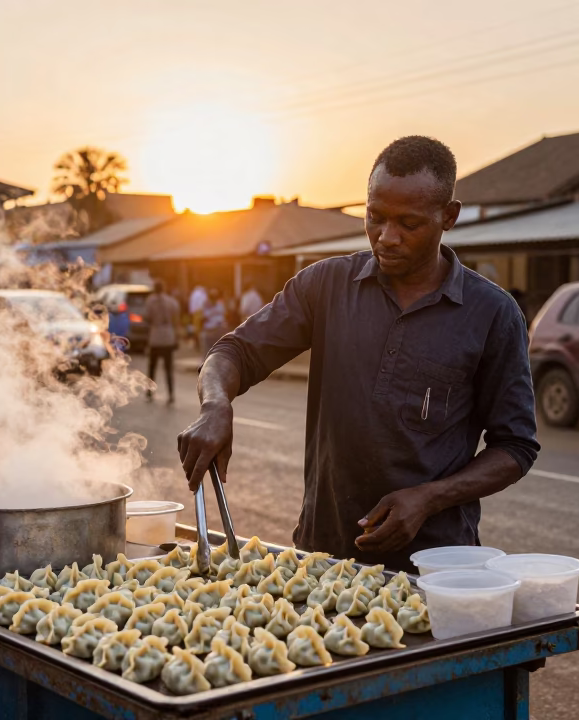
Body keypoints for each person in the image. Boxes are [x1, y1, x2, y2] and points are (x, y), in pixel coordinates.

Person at [177, 135, 539, 569]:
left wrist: (428, 498)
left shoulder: (493, 314)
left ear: (449, 216)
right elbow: (234, 351)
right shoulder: (326, 286)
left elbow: (516, 446)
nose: (387, 237)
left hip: (438, 566)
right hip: (321, 556)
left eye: (409, 223)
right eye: (375, 217)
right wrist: (216, 404)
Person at [144, 280, 182, 404]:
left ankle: (150, 391)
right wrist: (177, 337)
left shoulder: (150, 301)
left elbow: (147, 318)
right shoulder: (172, 302)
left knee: (152, 367)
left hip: (155, 337)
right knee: (168, 368)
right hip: (168, 336)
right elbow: (176, 321)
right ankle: (171, 394)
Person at [202, 288, 229, 352]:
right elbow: (204, 317)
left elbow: (223, 317)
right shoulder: (206, 305)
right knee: (208, 351)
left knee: (218, 350)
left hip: (218, 330)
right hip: (209, 331)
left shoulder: (220, 305)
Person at [189, 284, 208, 350]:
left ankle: (197, 344)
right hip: (201, 312)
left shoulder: (194, 294)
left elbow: (191, 305)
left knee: (196, 330)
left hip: (195, 313)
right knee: (202, 329)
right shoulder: (203, 294)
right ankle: (201, 344)